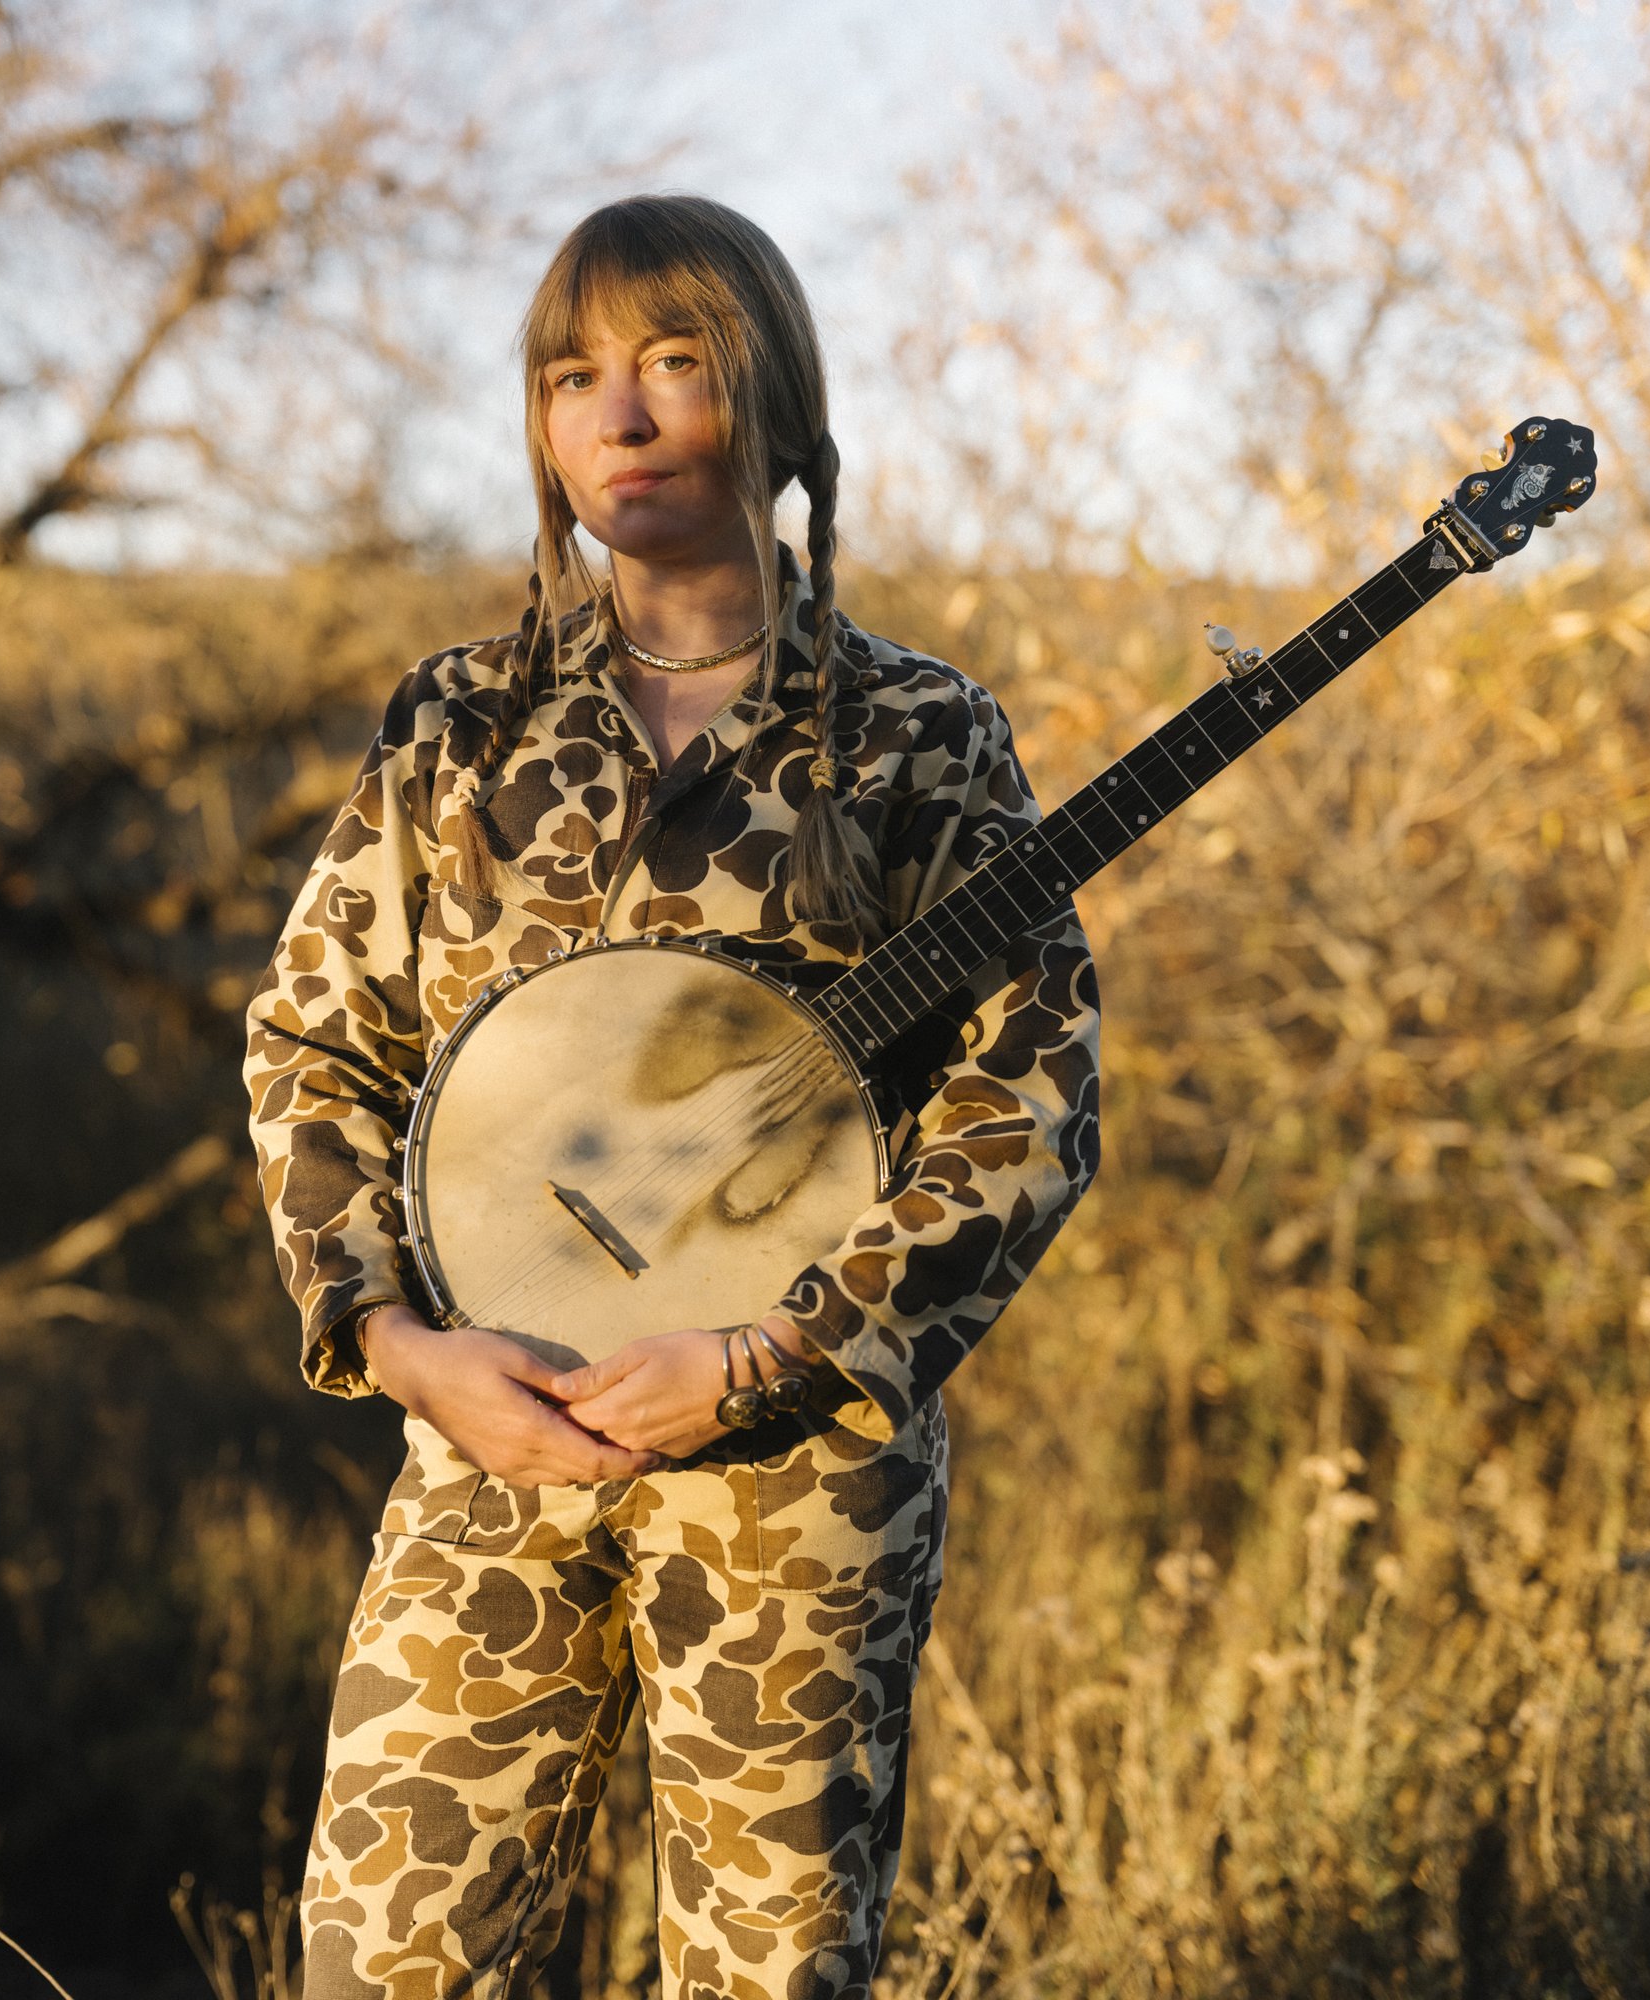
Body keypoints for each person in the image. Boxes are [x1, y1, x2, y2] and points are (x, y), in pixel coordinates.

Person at [243, 193, 1102, 2000]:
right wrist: (395, 1341)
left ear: (770, 398)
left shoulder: (911, 735)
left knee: (767, 1979)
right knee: (381, 1968)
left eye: (673, 364)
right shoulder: (460, 725)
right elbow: (317, 1045)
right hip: (493, 1439)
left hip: (794, 1478)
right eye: (573, 377)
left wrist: (777, 1350)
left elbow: (1026, 1104)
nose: (618, 415)